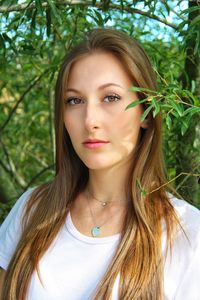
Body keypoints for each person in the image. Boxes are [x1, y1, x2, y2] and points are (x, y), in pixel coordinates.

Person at [0, 27, 199, 300]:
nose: (90, 119)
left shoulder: (189, 233)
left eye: (111, 98)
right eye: (75, 100)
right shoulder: (32, 209)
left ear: (147, 113)